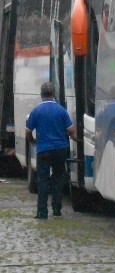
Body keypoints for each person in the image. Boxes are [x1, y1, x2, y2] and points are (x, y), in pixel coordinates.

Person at [25, 82, 75, 220]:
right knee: (59, 177)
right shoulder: (61, 110)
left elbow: (28, 131)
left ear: (41, 95)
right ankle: (57, 208)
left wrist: (32, 141)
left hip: (43, 150)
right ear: (53, 95)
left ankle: (42, 211)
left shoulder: (36, 111)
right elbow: (71, 130)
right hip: (60, 149)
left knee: (42, 179)